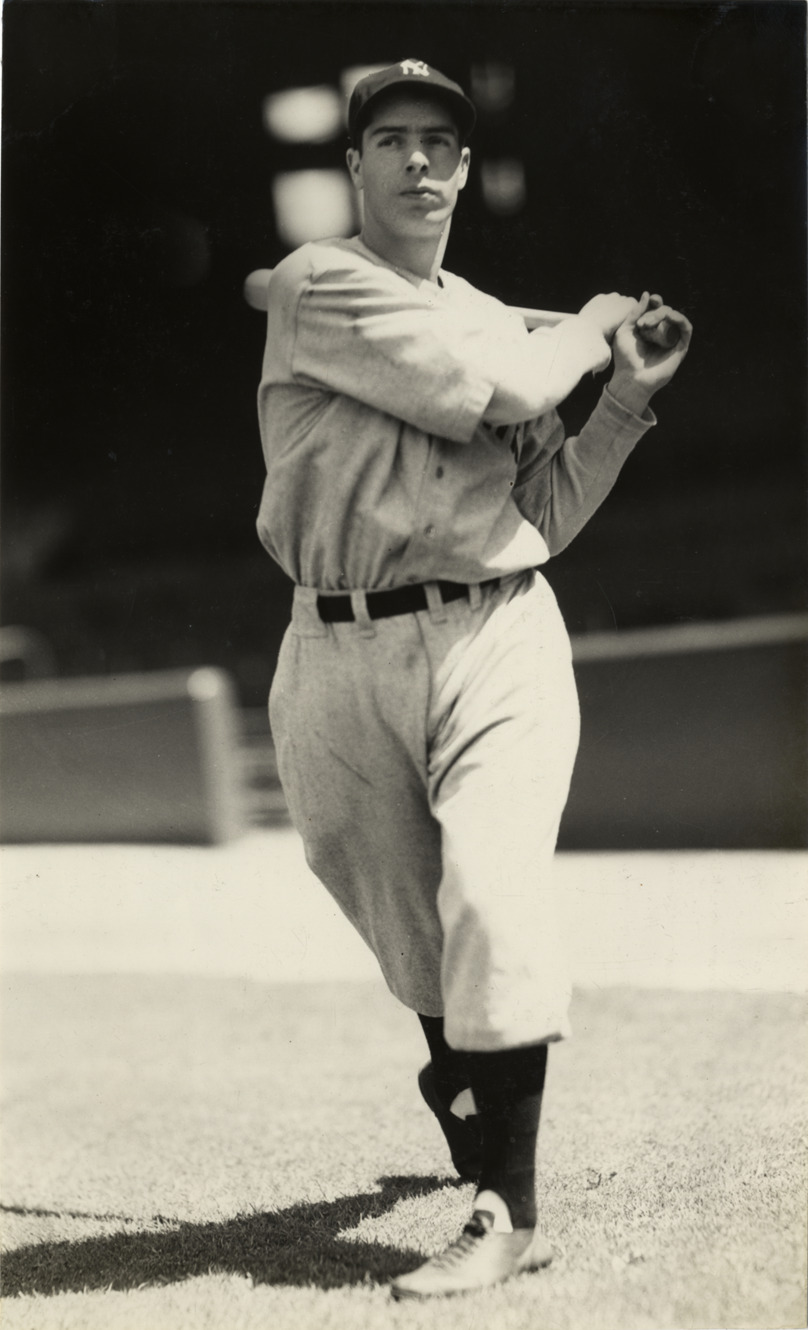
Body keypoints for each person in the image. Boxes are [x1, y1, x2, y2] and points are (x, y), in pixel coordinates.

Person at [254, 59, 691, 1299]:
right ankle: (459, 1073)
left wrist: (622, 401)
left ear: (461, 170)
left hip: (494, 632)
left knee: (493, 893)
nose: (415, 160)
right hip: (334, 648)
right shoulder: (317, 280)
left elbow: (540, 510)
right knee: (410, 929)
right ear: (353, 166)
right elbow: (509, 384)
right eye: (388, 139)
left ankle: (508, 1205)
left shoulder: (496, 318)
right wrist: (590, 329)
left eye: (438, 143)